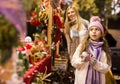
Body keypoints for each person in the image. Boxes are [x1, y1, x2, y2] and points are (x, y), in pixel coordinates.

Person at [71, 16, 112, 84]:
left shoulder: (104, 49)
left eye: (97, 29)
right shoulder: (82, 46)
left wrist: (96, 63)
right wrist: (82, 60)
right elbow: (74, 63)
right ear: (89, 32)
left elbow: (107, 68)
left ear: (101, 33)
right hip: (82, 81)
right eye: (91, 29)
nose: (94, 31)